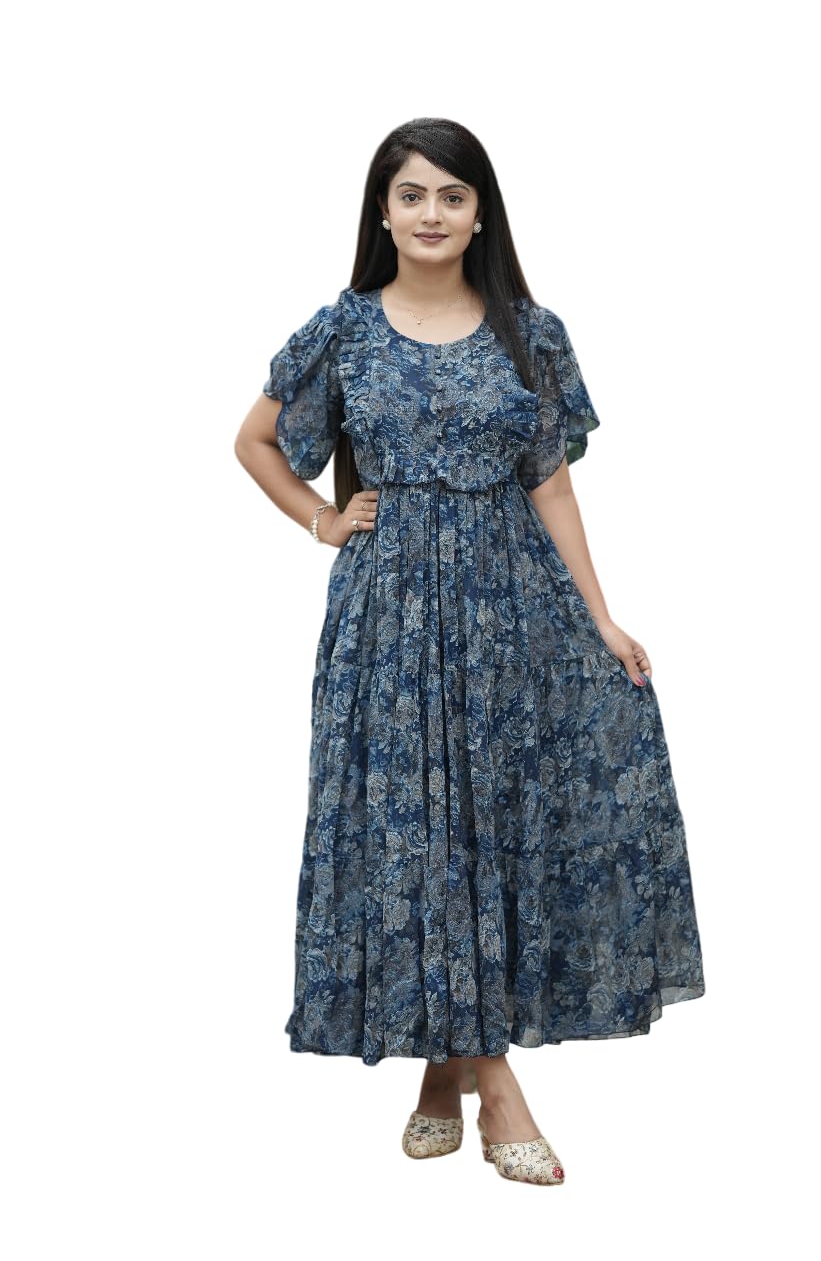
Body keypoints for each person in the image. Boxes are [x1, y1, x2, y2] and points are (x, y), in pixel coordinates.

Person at [234, 117, 706, 1187]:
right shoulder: (342, 329)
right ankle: (499, 1092)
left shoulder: (530, 333)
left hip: (513, 611)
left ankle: (441, 1076)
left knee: (491, 834)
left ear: (480, 212)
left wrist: (600, 619)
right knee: (416, 836)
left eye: (451, 195)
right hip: (388, 618)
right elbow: (253, 440)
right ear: (382, 210)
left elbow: (551, 483)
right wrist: (320, 519)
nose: (431, 213)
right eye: (410, 194)